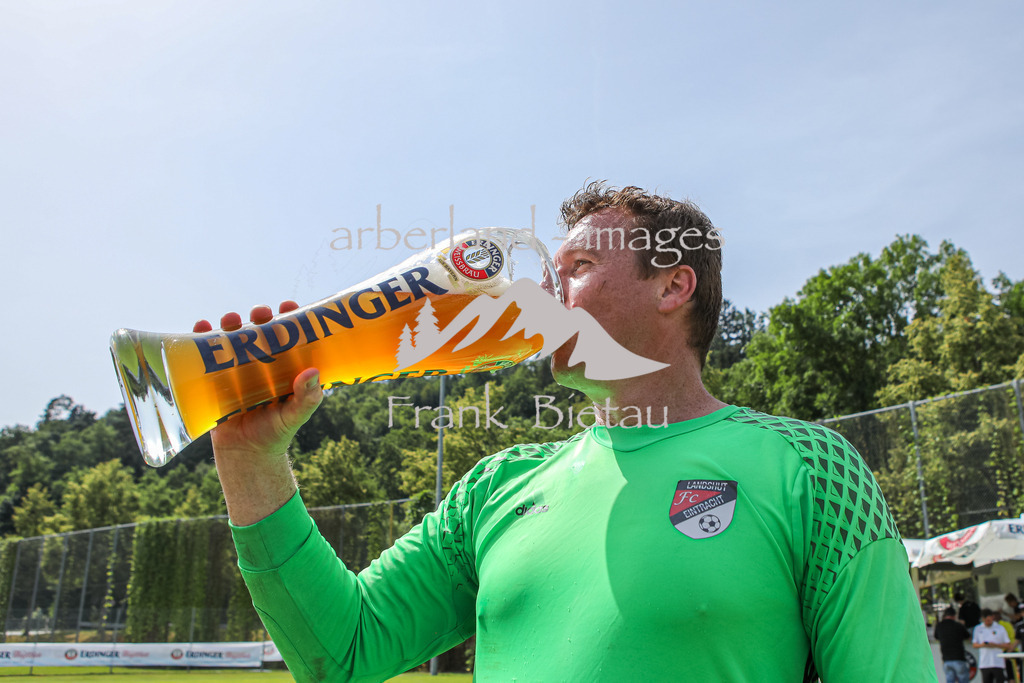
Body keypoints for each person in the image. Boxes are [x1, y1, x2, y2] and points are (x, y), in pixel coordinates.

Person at [198, 183, 937, 681]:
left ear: (673, 285)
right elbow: (342, 648)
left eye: (577, 267)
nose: (544, 292)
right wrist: (251, 456)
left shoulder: (808, 468)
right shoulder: (496, 487)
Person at [973, 608, 1014, 683]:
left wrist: (995, 645)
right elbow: (975, 644)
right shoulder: (978, 628)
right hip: (984, 662)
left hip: (998, 661)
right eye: (986, 621)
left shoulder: (1000, 628)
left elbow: (1009, 645)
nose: (988, 622)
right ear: (982, 619)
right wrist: (983, 645)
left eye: (989, 620)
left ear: (992, 617)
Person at [935, 606, 974, 683]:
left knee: (950, 680)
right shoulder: (958, 625)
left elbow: (936, 637)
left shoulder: (939, 626)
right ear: (954, 616)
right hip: (959, 658)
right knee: (963, 680)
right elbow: (968, 637)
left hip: (946, 659)